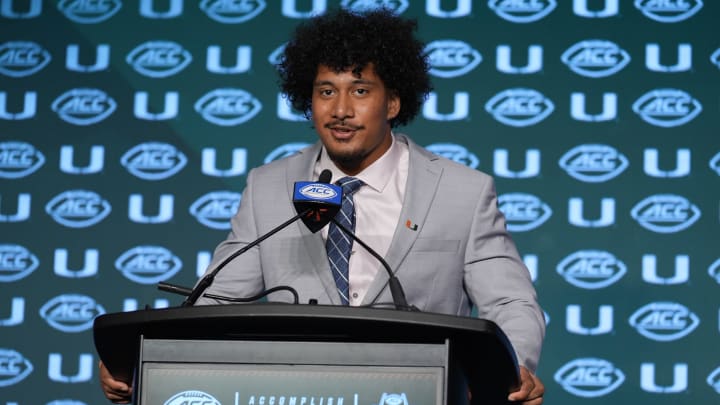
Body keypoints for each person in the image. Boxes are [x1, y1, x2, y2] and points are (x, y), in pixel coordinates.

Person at [100, 8, 545, 404]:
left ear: (393, 101)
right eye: (326, 92)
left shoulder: (460, 191)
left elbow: (510, 301)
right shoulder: (269, 187)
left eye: (360, 91)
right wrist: (143, 363)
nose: (341, 110)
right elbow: (216, 298)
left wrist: (512, 369)